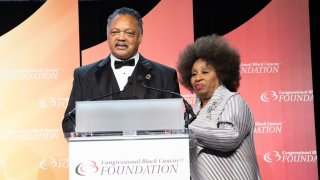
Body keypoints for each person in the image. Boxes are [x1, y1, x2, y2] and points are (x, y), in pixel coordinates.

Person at [62, 7, 180, 133]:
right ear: (107, 36)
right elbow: (70, 121)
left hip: (148, 152)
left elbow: (176, 126)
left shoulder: (165, 76)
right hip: (100, 151)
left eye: (129, 33)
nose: (121, 38)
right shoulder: (84, 76)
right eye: (115, 32)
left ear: (140, 37)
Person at [177, 34, 261, 180]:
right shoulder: (192, 111)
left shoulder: (232, 100)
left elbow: (231, 137)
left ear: (221, 74)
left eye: (205, 72)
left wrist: (187, 132)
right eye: (193, 74)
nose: (197, 78)